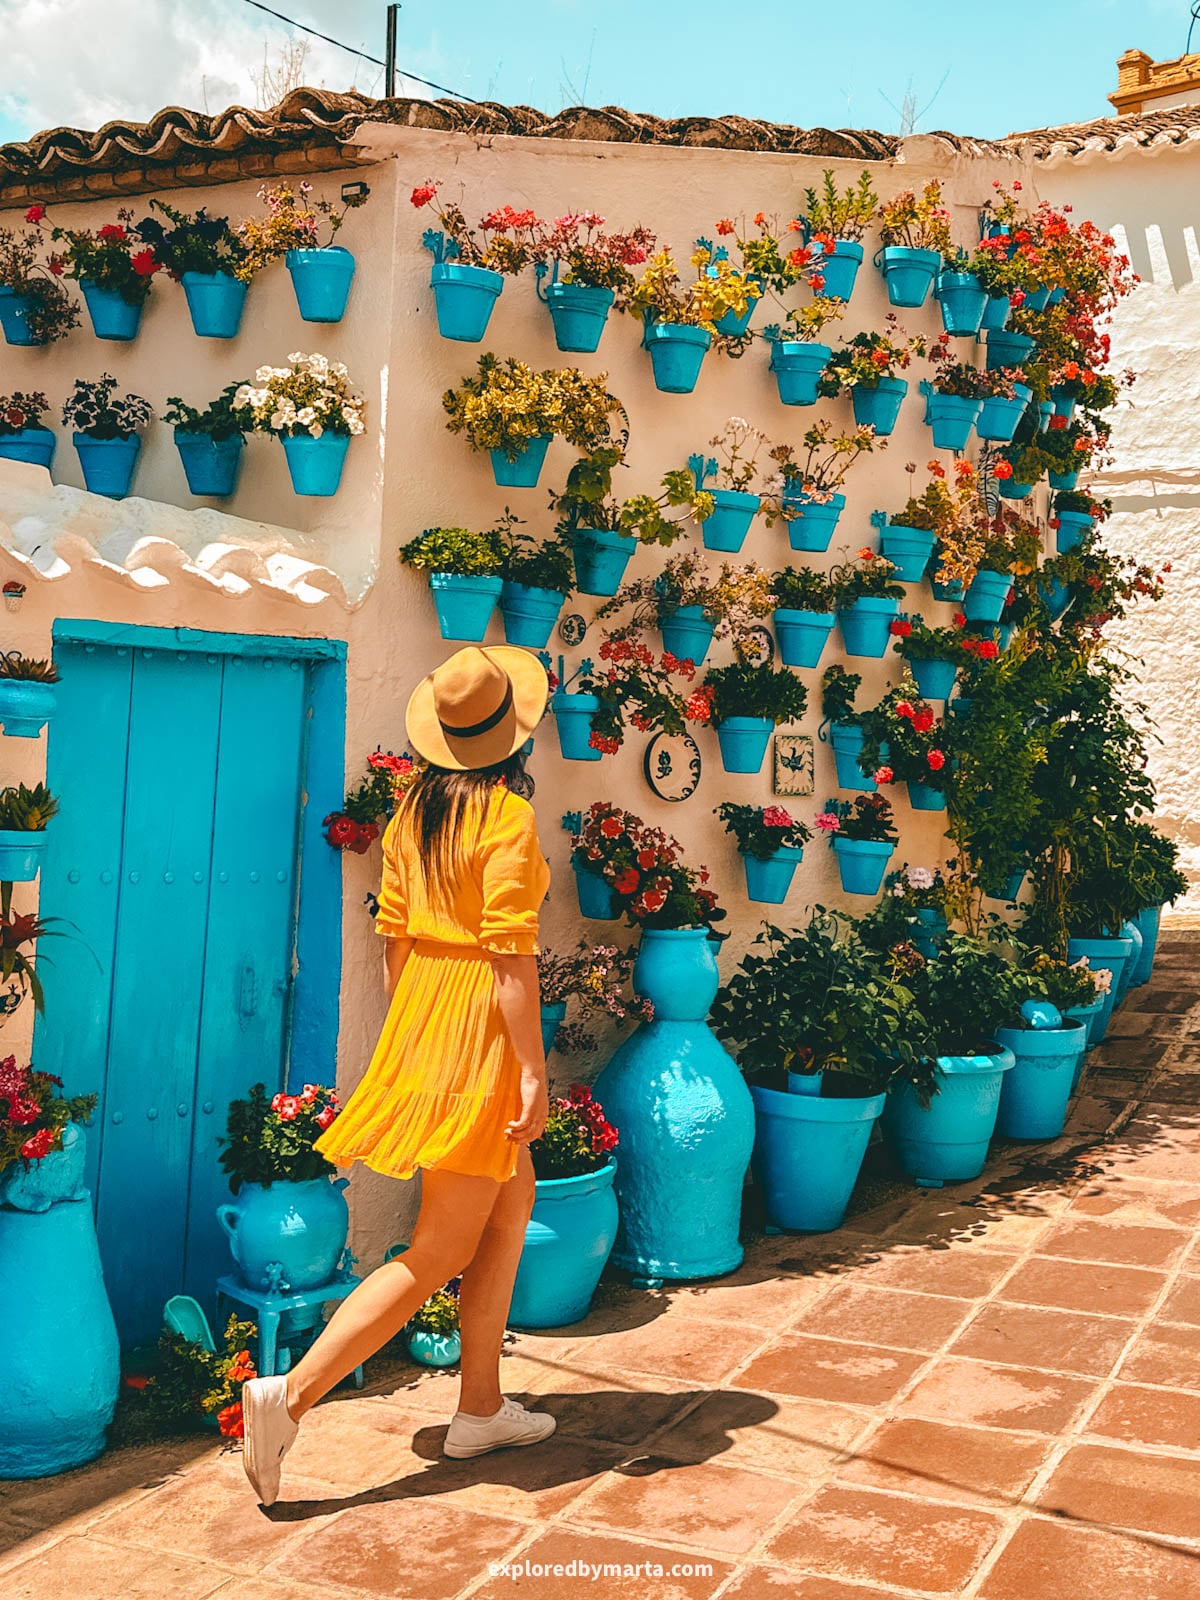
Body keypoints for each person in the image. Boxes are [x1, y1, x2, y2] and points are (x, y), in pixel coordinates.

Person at [240, 644, 556, 1507]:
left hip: (424, 1015)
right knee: (439, 1248)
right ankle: (290, 1396)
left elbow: (395, 942)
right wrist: (529, 1069)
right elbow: (510, 961)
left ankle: (481, 1406)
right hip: (480, 1030)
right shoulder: (507, 820)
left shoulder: (414, 810)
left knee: (512, 1201)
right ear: (513, 735)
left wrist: (417, 1039)